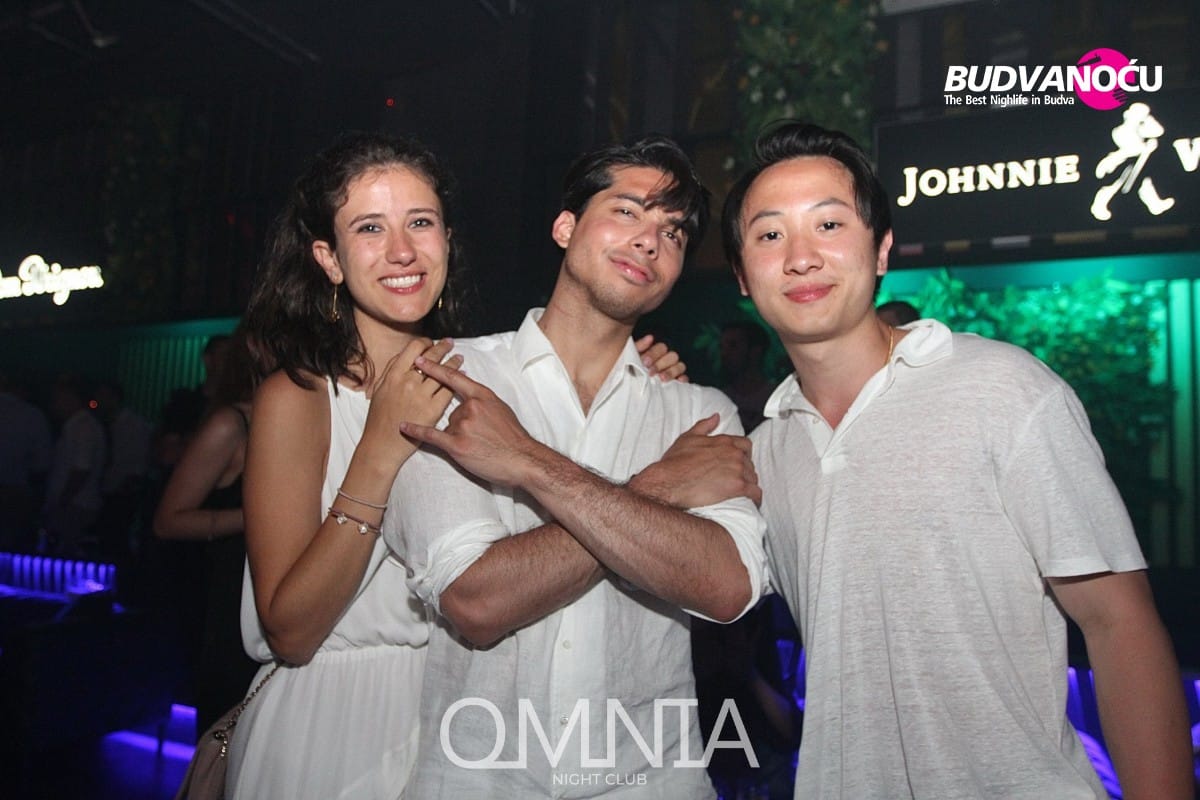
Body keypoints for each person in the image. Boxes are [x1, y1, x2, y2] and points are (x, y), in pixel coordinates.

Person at [721, 121, 1193, 798]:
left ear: (881, 249)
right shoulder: (766, 449)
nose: (801, 257)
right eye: (770, 235)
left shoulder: (1004, 389)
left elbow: (1118, 622)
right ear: (742, 275)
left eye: (829, 224)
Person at [223, 130, 696, 799]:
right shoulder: (300, 396)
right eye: (369, 229)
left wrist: (633, 375)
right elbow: (291, 631)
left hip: (466, 724)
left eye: (420, 223)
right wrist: (379, 448)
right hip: (332, 730)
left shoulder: (487, 380)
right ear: (329, 259)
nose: (402, 251)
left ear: (446, 239)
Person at [387, 135, 767, 798]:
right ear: (565, 227)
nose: (650, 240)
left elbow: (725, 586)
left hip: (653, 782)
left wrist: (526, 461)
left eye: (673, 233)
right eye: (627, 212)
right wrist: (659, 488)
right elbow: (477, 600)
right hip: (484, 781)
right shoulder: (453, 376)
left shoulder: (699, 414)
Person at [152, 327, 262, 735]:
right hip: (228, 595)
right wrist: (260, 516)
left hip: (269, 594)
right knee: (226, 730)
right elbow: (168, 520)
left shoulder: (300, 421)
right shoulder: (231, 423)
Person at [44, 373, 107, 556]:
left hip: (75, 505)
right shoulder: (78, 425)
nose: (53, 404)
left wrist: (63, 500)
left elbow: (82, 469)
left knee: (64, 555)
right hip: (74, 503)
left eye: (57, 399)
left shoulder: (82, 427)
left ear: (71, 398)